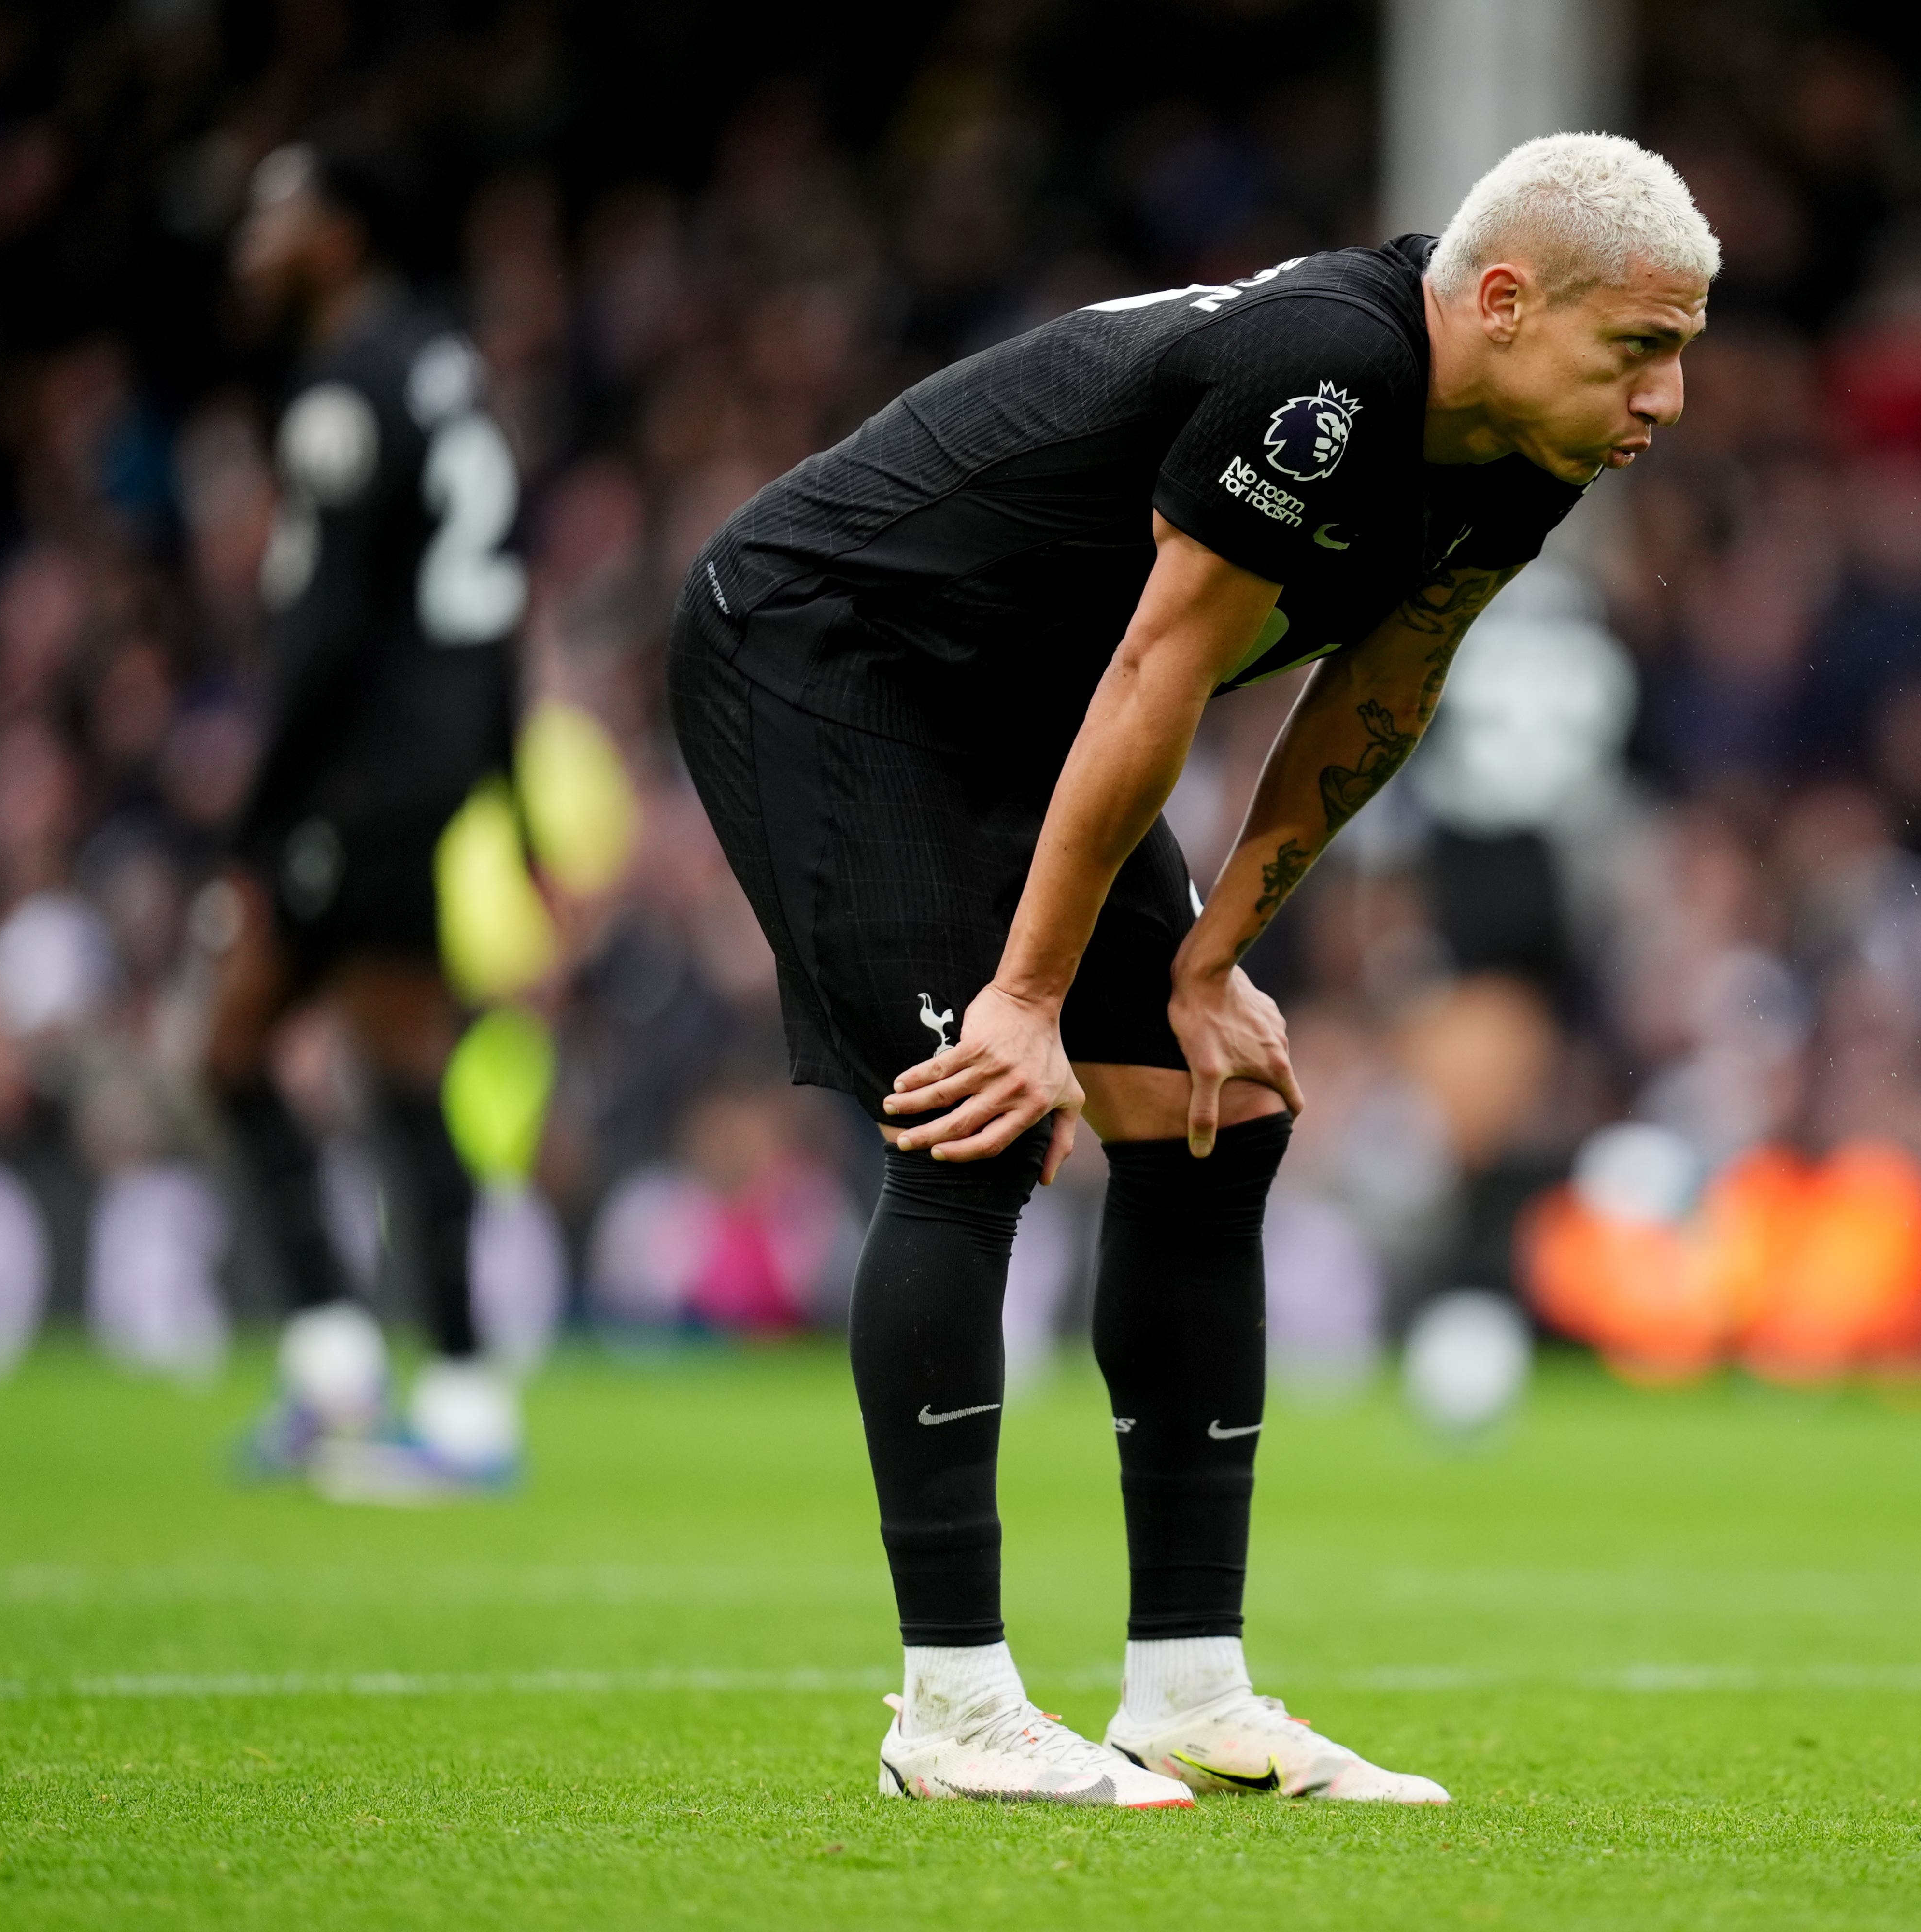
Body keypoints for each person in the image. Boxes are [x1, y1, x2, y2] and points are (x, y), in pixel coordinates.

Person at [669, 133, 1715, 1807]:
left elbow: (1384, 688)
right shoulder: (1330, 377)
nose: (1666, 397)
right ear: (1505, 303)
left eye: (1681, 352)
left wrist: (1214, 956)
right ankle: (948, 1707)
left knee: (1208, 1104)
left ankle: (1187, 1689)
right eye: (1639, 348)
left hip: (1024, 700)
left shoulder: (1529, 443)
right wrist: (1023, 1001)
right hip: (834, 650)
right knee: (976, 1113)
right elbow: (1162, 669)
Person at [207, 143, 533, 1501]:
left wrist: (256, 813)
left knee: (306, 1062)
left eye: (280, 216)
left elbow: (324, 628)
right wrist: (503, 793)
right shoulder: (442, 370)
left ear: (342, 237)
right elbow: (496, 613)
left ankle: (450, 1403)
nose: (254, 243)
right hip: (430, 766)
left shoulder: (346, 386)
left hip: (358, 778)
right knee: (291, 1058)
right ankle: (358, 1374)